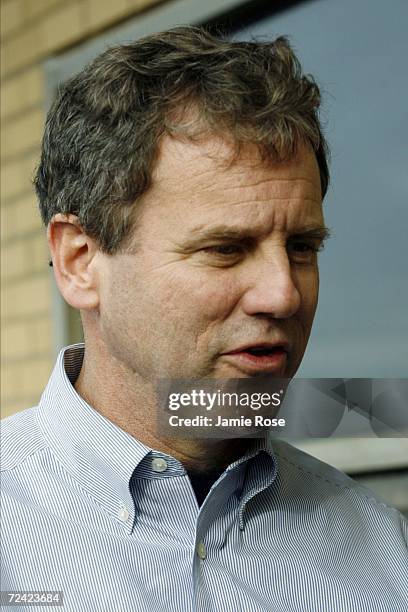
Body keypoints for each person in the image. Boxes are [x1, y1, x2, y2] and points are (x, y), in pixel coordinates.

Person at [1, 26, 407, 612]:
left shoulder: (382, 552)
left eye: (302, 247)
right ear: (80, 262)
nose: (283, 295)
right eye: (225, 249)